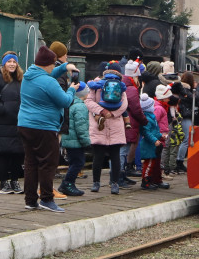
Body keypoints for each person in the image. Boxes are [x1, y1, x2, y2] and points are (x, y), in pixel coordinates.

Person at [17, 45, 76, 213]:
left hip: (25, 125)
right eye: (53, 64)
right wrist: (72, 89)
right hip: (44, 127)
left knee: (31, 163)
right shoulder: (49, 82)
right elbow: (65, 101)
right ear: (47, 64)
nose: (53, 67)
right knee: (48, 163)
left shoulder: (29, 75)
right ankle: (47, 199)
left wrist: (65, 67)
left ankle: (30, 200)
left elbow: (48, 74)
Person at [0, 52, 24, 195]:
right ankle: (3, 183)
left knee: (18, 153)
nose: (12, 64)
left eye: (14, 61)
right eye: (9, 61)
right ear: (4, 63)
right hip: (3, 121)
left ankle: (15, 181)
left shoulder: (21, 79)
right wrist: (1, 109)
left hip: (18, 121)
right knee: (3, 153)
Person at [85, 67, 129, 195]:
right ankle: (114, 184)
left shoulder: (96, 85)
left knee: (98, 156)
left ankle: (96, 183)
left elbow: (88, 101)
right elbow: (124, 105)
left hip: (99, 123)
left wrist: (101, 111)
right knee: (115, 156)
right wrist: (113, 114)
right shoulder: (121, 85)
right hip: (115, 124)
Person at [58, 83, 90, 196]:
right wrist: (86, 141)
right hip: (75, 140)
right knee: (78, 162)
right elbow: (81, 127)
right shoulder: (80, 106)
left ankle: (68, 184)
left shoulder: (70, 103)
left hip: (68, 138)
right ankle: (67, 184)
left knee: (74, 162)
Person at [122, 60, 149, 186]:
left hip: (123, 121)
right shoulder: (132, 89)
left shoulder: (122, 85)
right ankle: (120, 176)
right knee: (124, 151)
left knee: (122, 151)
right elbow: (136, 109)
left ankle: (122, 175)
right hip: (130, 123)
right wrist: (144, 120)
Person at [137, 95, 164, 190]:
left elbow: (154, 131)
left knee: (155, 163)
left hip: (154, 143)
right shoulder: (147, 119)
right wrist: (155, 140)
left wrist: (160, 136)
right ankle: (146, 181)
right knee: (149, 164)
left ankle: (155, 180)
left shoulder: (151, 117)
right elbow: (146, 132)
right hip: (150, 144)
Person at [176, 72, 196, 174]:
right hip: (185, 116)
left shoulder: (179, 88)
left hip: (181, 115)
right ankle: (179, 161)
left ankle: (178, 160)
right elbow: (192, 99)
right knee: (186, 139)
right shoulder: (186, 90)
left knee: (182, 139)